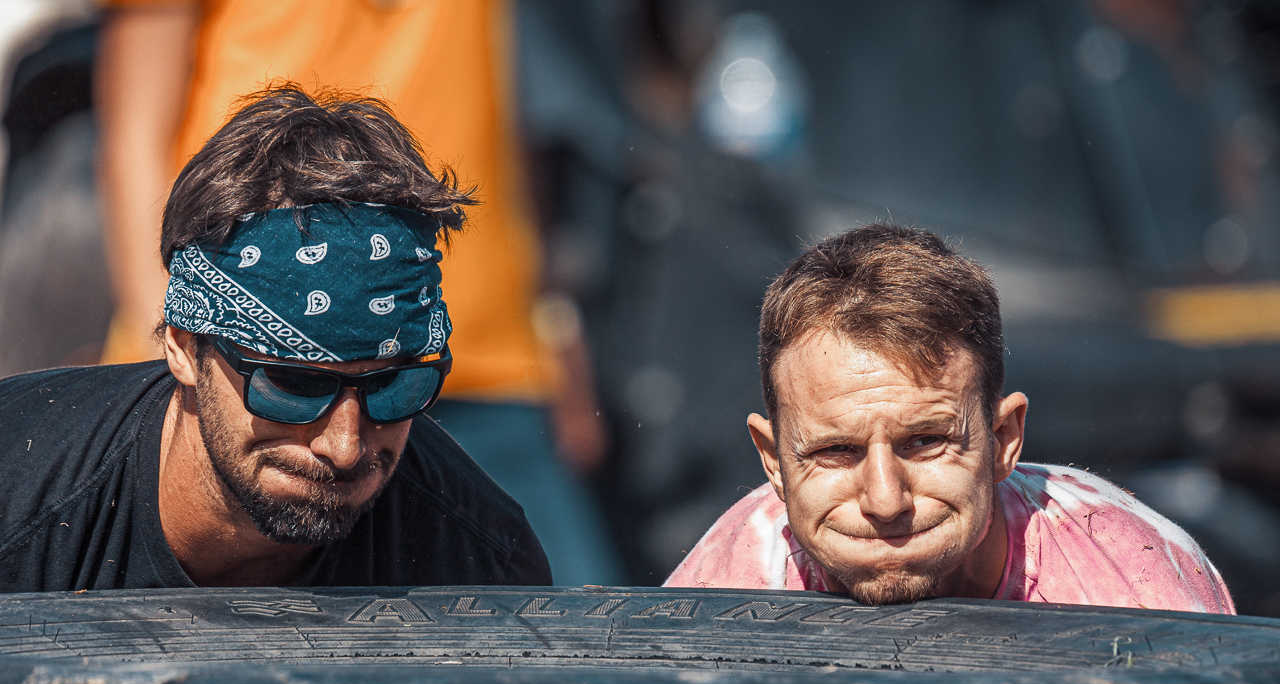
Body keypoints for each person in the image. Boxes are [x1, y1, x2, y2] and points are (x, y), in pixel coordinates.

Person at [93, 0, 623, 586]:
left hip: (464, 359)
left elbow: (506, 120)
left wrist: (555, 318)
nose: (344, 445)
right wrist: (184, 342)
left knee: (565, 621)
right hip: (257, 362)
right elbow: (133, 136)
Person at [0, 86, 550, 591]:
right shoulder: (19, 503)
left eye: (392, 387)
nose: (344, 448)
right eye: (293, 385)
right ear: (184, 348)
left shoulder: (484, 566)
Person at [666, 225, 1235, 613]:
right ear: (773, 460)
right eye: (835, 451)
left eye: (925, 442)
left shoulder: (1133, 590)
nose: (885, 501)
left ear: (1004, 438)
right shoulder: (728, 585)